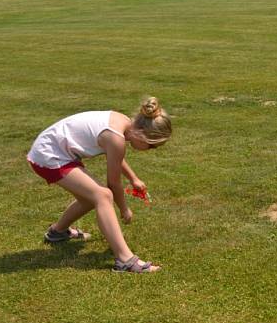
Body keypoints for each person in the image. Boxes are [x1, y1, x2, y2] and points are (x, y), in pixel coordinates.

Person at [26, 97, 172, 273]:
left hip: (54, 150)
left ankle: (57, 232)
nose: (150, 150)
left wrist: (133, 178)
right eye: (151, 146)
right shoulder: (116, 137)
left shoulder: (123, 122)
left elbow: (115, 154)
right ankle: (125, 260)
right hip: (48, 155)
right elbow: (113, 183)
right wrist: (124, 209)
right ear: (141, 134)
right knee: (103, 195)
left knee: (91, 197)